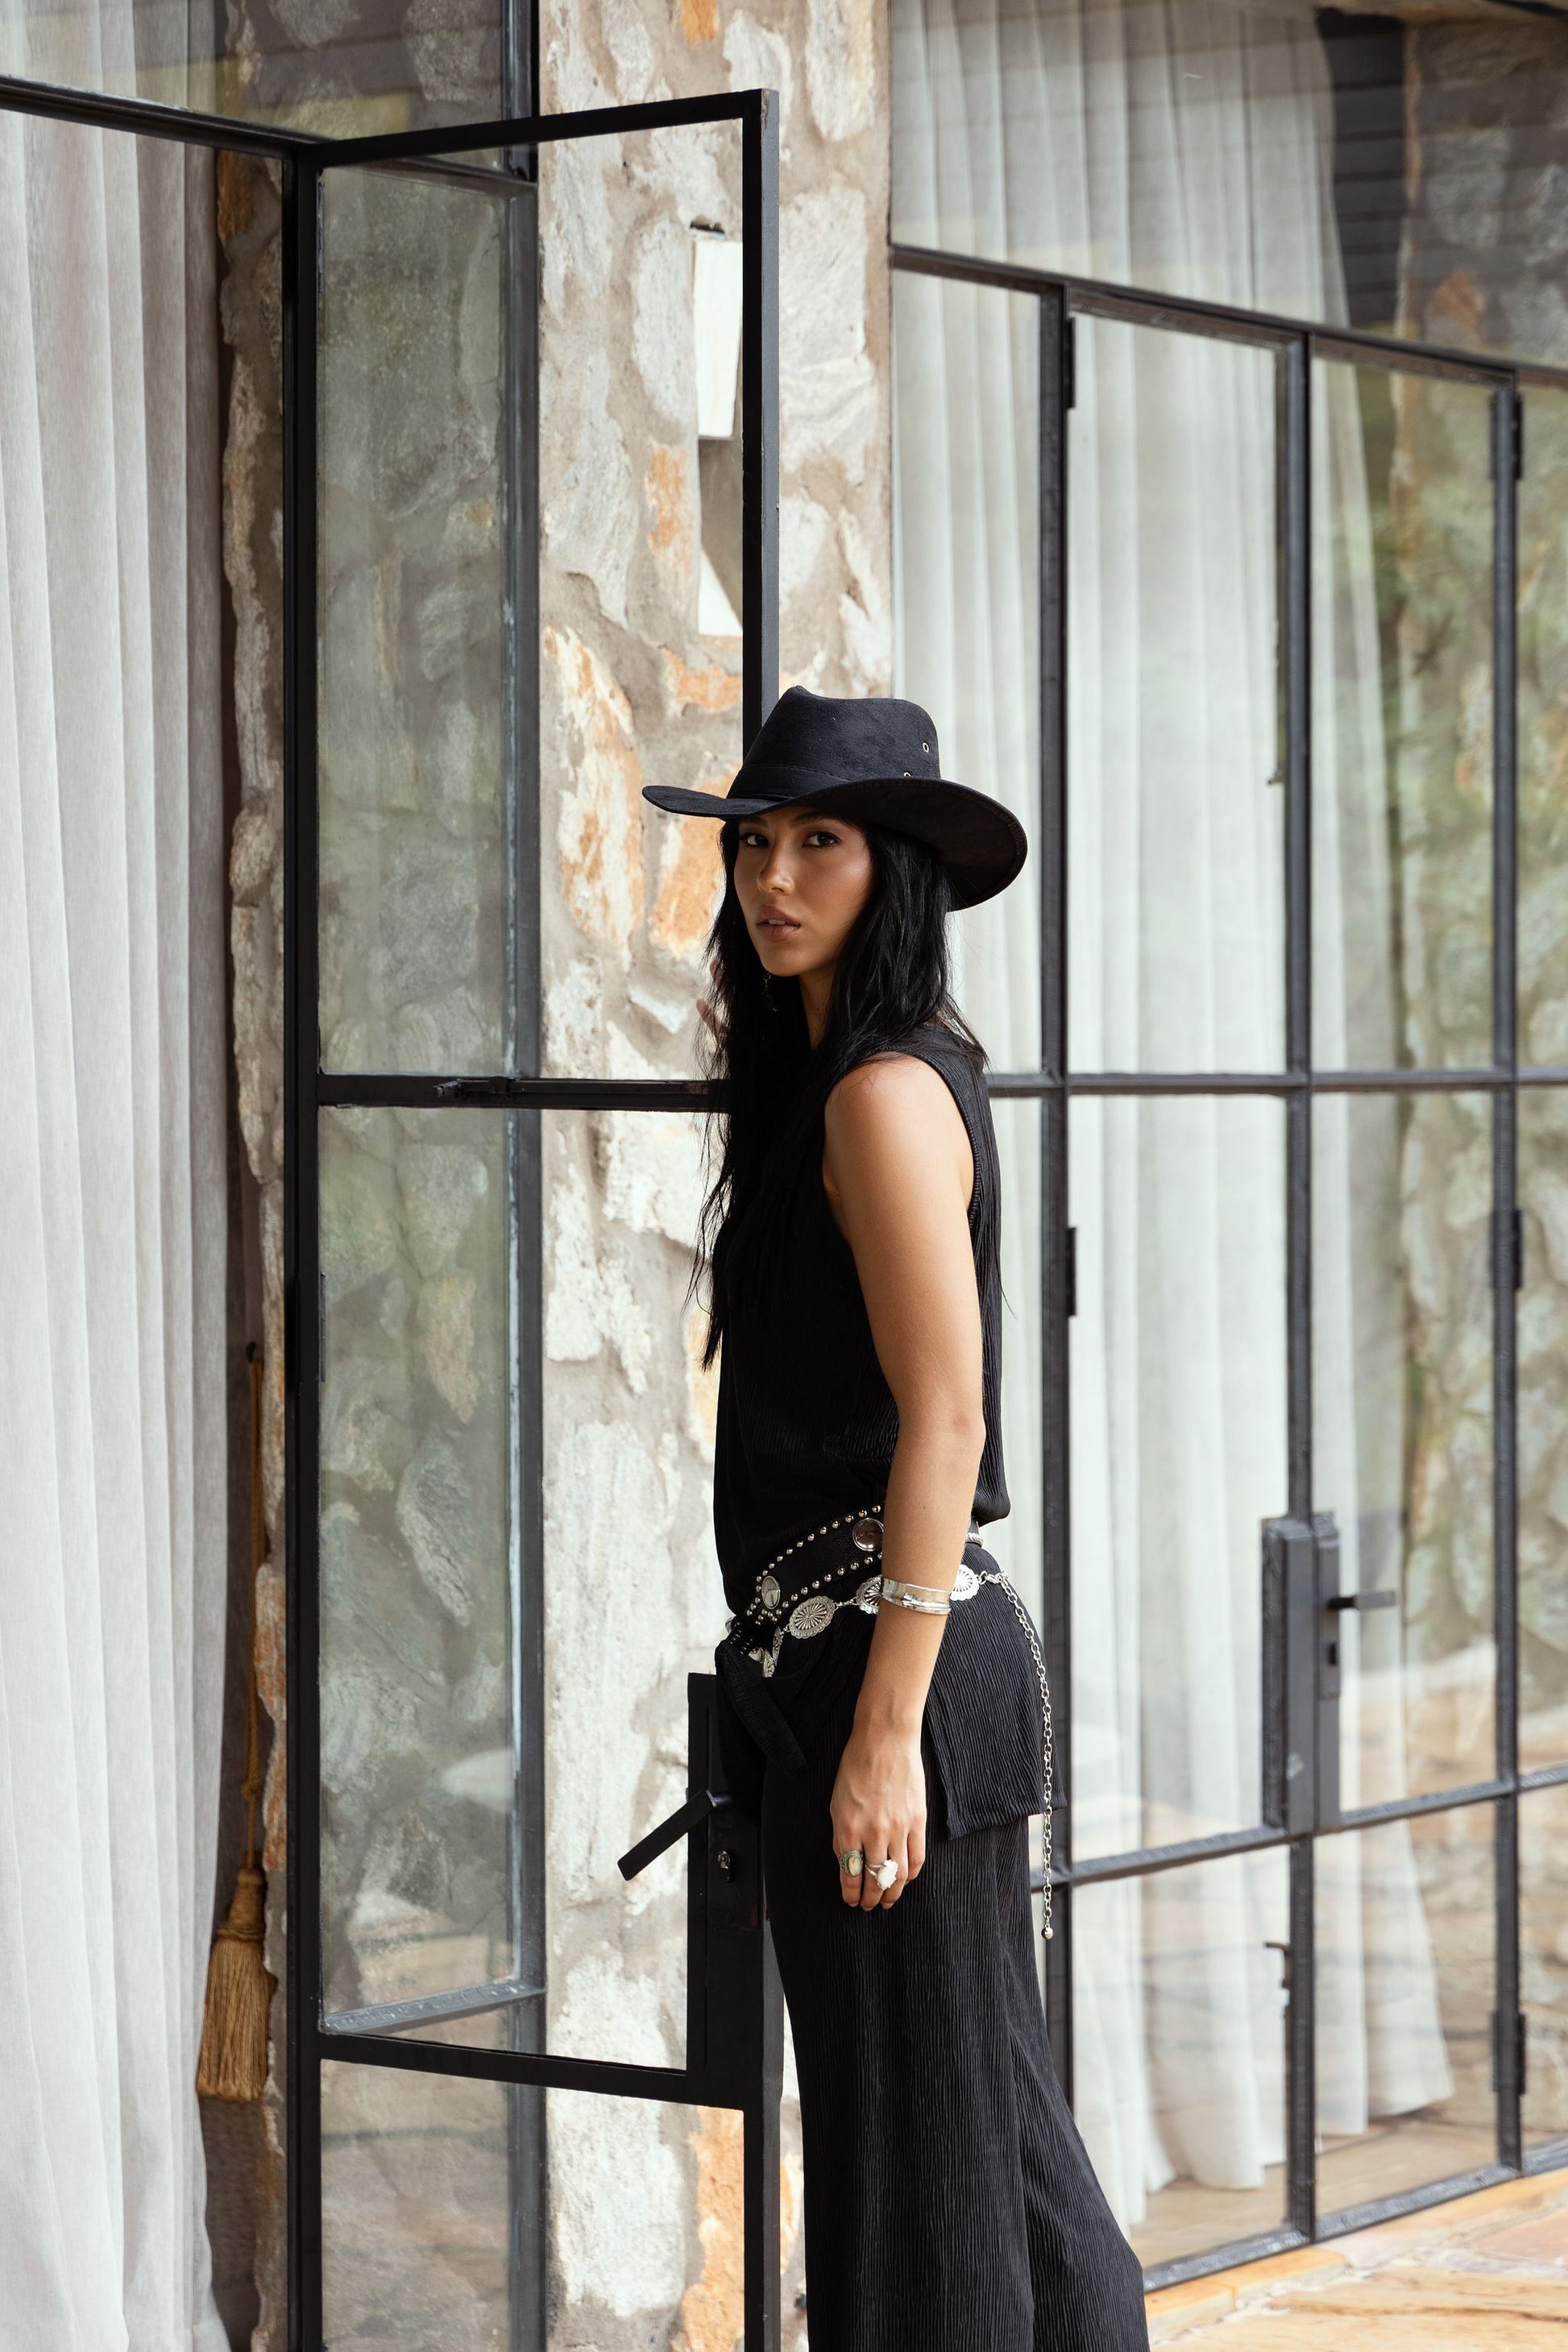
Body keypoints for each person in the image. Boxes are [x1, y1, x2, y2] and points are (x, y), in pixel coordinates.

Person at [644, 688, 1148, 2352]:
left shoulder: (877, 1093)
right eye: (754, 844)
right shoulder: (848, 1083)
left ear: (897, 871)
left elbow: (950, 1418)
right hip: (873, 1657)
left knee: (919, 2186)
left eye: (821, 844)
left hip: (892, 1666)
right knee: (993, 2155)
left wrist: (879, 1734)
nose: (772, 878)